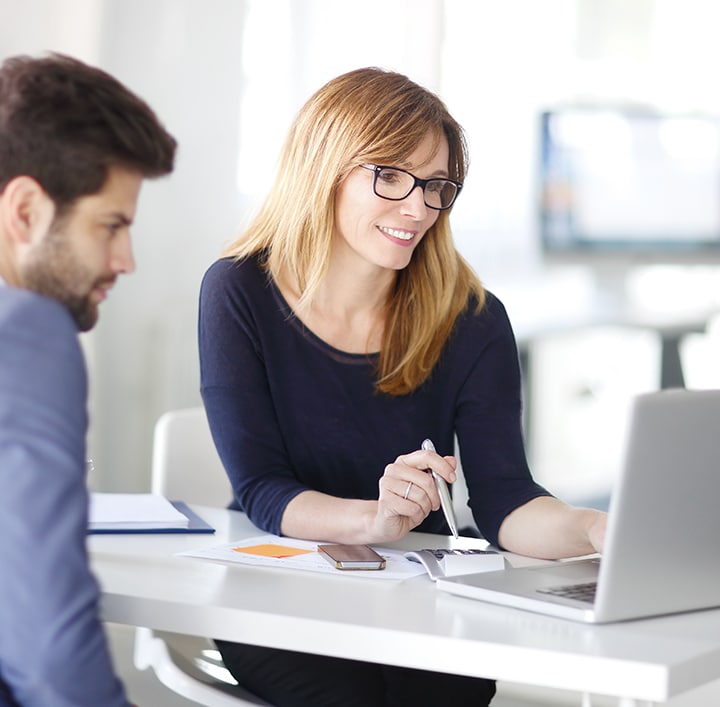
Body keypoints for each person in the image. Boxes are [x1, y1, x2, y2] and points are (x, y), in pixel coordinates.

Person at [198, 67, 606, 707]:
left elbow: (504, 499)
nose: (417, 208)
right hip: (280, 585)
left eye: (436, 185)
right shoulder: (239, 290)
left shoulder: (470, 316)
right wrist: (377, 519)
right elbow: (261, 488)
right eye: (390, 176)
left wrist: (594, 528)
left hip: (420, 594)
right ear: (324, 168)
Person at [0, 53, 176, 706]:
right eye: (111, 225)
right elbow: (50, 652)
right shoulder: (26, 331)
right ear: (25, 211)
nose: (126, 260)